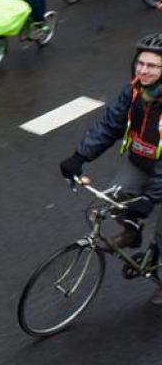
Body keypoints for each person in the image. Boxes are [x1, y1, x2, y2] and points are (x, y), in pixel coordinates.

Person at [59, 33, 162, 306]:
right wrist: (79, 156)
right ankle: (132, 233)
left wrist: (150, 199)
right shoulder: (134, 91)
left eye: (152, 66)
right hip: (141, 162)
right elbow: (109, 126)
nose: (143, 70)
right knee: (115, 202)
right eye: (141, 63)